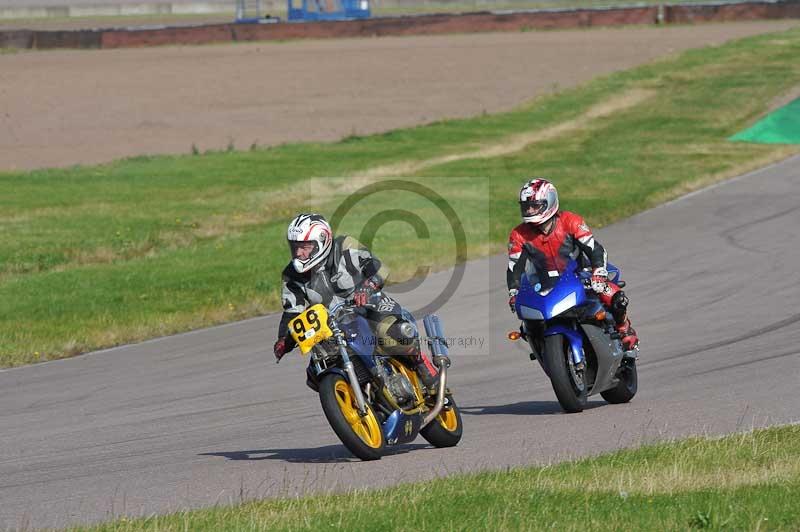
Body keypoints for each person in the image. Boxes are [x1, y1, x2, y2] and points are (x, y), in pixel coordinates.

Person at [272, 213, 440, 390]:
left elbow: (378, 267)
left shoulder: (345, 246)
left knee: (393, 332)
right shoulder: (291, 275)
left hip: (368, 307)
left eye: (304, 247)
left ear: (321, 242)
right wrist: (284, 339)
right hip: (332, 326)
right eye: (295, 247)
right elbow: (292, 311)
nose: (298, 253)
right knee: (315, 372)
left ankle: (420, 362)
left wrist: (369, 285)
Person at [506, 178, 639, 350]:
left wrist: (598, 272)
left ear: (550, 203)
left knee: (613, 295)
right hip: (546, 285)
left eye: (535, 205)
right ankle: (543, 349)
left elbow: (595, 249)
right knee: (527, 322)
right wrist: (514, 292)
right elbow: (514, 268)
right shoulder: (518, 235)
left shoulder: (571, 221)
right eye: (526, 206)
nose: (530, 210)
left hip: (580, 276)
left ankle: (624, 329)